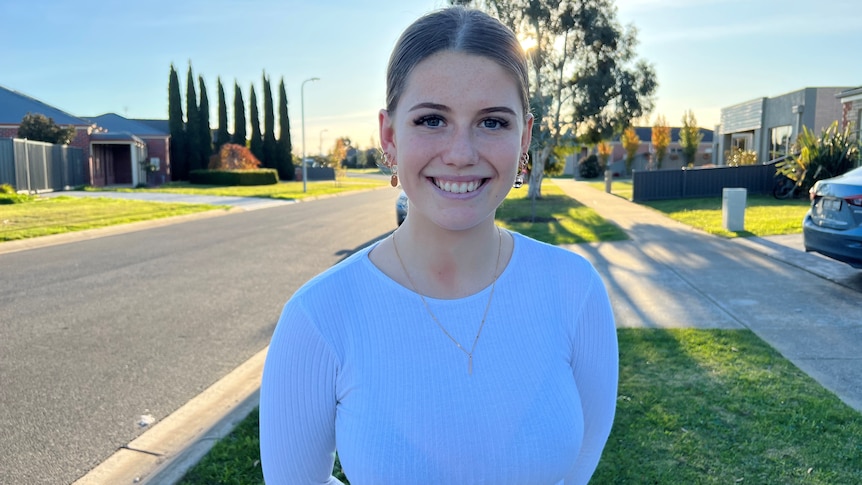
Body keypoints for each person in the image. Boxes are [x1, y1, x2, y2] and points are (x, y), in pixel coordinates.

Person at [259, 7, 618, 484]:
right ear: (390, 135)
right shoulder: (319, 317)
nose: (461, 154)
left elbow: (575, 473)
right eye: (432, 120)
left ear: (525, 137)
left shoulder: (576, 292)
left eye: (492, 123)